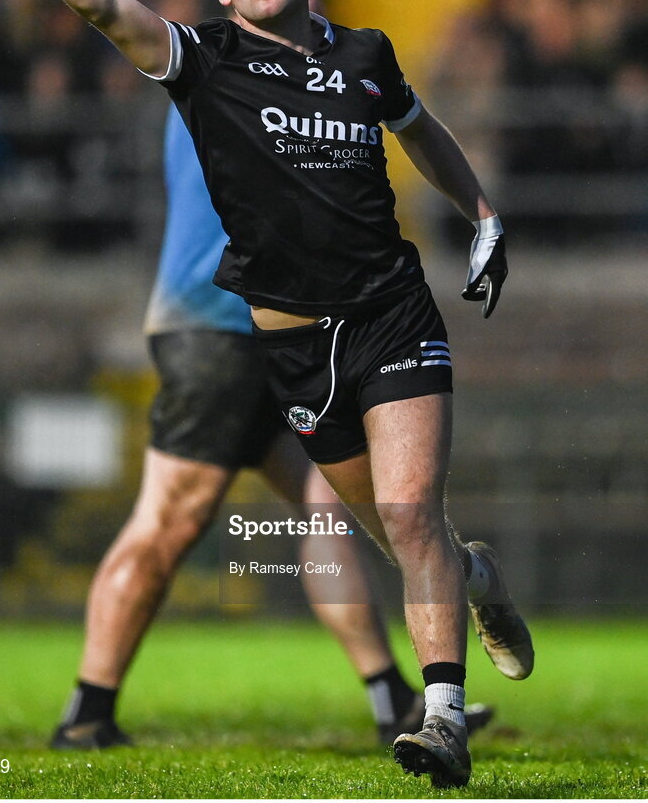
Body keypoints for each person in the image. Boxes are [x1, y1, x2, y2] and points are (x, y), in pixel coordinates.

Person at [0, 0, 533, 789]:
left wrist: (481, 210)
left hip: (391, 314)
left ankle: (436, 716)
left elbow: (421, 130)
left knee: (408, 516)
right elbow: (101, 2)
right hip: (285, 347)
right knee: (389, 533)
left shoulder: (367, 53)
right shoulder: (202, 63)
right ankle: (475, 582)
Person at [50, 99, 495, 751]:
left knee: (328, 509)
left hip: (284, 330)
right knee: (170, 519)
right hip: (221, 328)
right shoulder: (231, 70)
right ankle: (86, 713)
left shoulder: (230, 67)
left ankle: (393, 699)